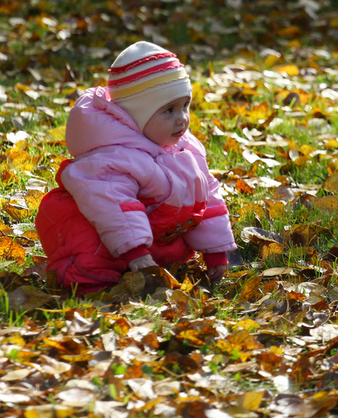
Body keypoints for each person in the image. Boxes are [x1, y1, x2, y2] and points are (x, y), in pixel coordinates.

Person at [36, 41, 236, 293]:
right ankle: (87, 280)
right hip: (108, 232)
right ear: (136, 116)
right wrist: (136, 253)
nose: (182, 118)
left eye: (185, 105)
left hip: (153, 237)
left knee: (177, 243)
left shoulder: (188, 149)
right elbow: (113, 206)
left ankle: (145, 266)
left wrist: (215, 252)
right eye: (168, 110)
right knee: (86, 236)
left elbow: (208, 197)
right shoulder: (113, 157)